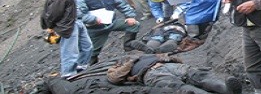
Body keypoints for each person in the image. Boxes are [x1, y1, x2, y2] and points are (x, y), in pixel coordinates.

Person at [45, 53, 243, 94]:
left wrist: (168, 58)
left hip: (166, 66)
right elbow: (113, 78)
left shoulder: (147, 54)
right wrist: (129, 63)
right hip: (152, 73)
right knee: (180, 87)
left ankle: (226, 89)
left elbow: (178, 59)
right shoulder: (120, 65)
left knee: (197, 74)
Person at [77, 0, 140, 65]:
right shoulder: (82, 0)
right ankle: (91, 66)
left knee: (134, 25)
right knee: (92, 51)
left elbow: (123, 5)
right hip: (95, 28)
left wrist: (130, 16)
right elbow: (80, 15)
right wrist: (93, 19)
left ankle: (128, 47)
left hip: (111, 22)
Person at [40, 0, 93, 78]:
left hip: (76, 22)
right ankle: (68, 75)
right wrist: (51, 28)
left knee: (87, 47)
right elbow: (52, 15)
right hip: (67, 27)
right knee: (70, 53)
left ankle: (81, 69)